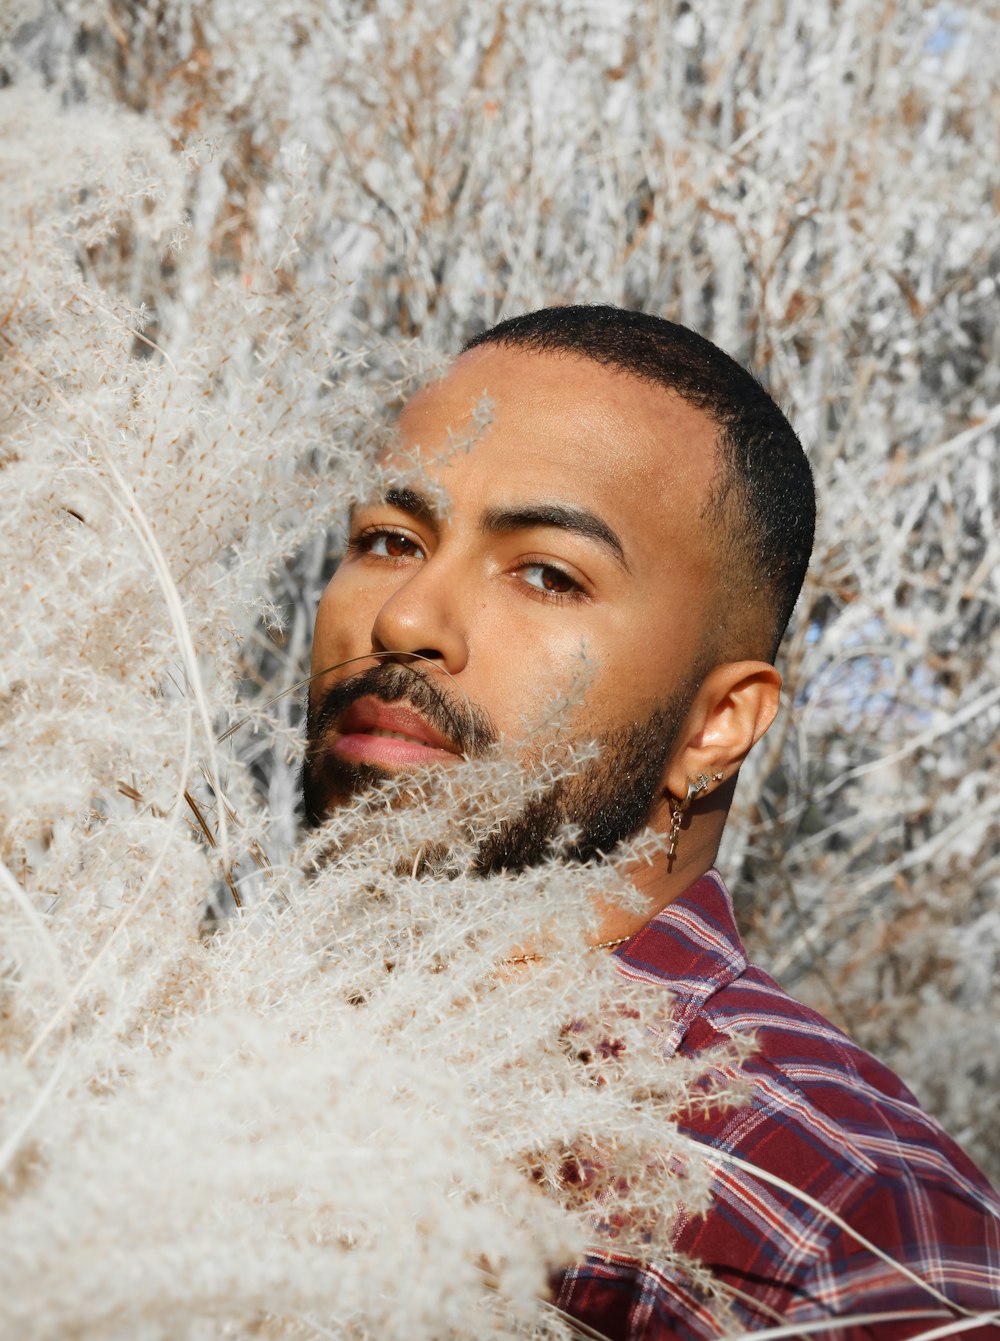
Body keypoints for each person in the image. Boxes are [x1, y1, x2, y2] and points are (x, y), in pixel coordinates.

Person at [300, 305, 1000, 1339]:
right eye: (390, 538)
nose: (403, 618)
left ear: (717, 724)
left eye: (547, 573)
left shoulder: (825, 1219)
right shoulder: (216, 1072)